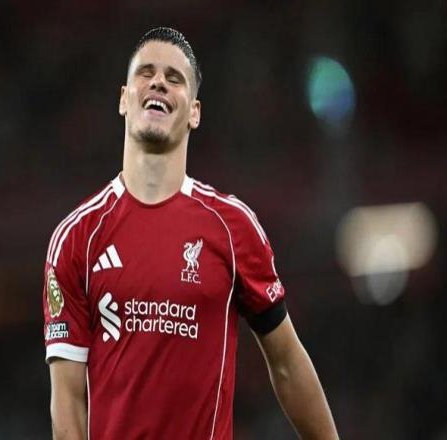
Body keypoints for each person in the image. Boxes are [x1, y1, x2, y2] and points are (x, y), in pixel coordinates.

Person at [43, 27, 338, 439]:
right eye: (145, 73)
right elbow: (68, 400)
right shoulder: (77, 238)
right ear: (124, 99)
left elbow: (287, 361)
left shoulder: (232, 227)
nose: (158, 82)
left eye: (174, 78)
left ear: (195, 112)